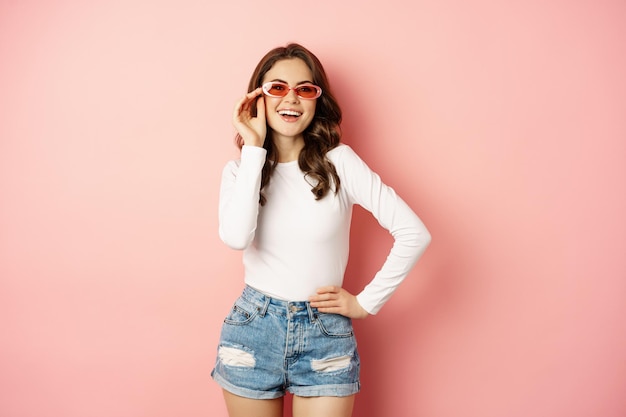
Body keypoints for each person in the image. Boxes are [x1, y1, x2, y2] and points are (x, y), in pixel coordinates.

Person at [211, 43, 431, 417]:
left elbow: (414, 233)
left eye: (305, 89)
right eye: (277, 87)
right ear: (257, 98)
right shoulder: (240, 171)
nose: (291, 98)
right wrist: (253, 147)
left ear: (317, 100)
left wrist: (365, 302)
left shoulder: (339, 163)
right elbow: (236, 238)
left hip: (324, 332)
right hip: (253, 330)